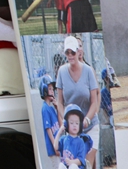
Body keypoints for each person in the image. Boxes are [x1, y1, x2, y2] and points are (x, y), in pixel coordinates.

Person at [56, 36, 100, 169]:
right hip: (72, 129)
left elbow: (94, 101)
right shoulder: (62, 71)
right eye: (67, 52)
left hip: (89, 126)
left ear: (78, 52)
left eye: (72, 52)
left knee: (86, 164)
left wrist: (86, 119)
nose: (70, 55)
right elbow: (59, 102)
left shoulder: (88, 71)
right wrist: (65, 121)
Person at [54, 104, 92, 169]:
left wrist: (71, 162)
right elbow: (55, 147)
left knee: (73, 166)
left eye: (77, 123)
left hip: (76, 166)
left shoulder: (80, 141)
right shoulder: (64, 139)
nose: (74, 125)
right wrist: (60, 131)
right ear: (66, 124)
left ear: (80, 125)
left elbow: (80, 160)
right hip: (66, 166)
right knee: (61, 165)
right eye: (71, 123)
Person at [39, 74, 60, 169]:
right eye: (50, 89)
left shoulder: (51, 108)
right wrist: (55, 145)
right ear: (44, 90)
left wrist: (57, 109)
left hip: (58, 145)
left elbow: (60, 125)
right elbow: (48, 129)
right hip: (53, 148)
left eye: (52, 89)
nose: (53, 91)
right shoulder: (45, 108)